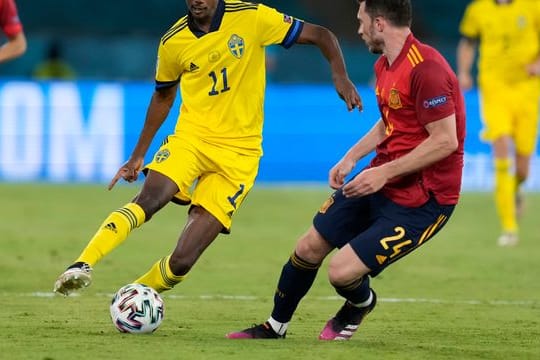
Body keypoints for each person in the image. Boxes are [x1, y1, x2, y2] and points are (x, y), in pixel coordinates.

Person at [53, 0, 362, 297]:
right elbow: (163, 96)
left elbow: (322, 35)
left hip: (239, 155)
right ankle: (82, 264)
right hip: (192, 139)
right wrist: (137, 155)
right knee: (150, 199)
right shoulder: (173, 41)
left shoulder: (253, 17)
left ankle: (134, 297)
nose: (197, 0)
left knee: (182, 261)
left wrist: (340, 75)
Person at [227, 0, 466, 341]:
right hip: (381, 179)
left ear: (380, 23)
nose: (358, 28)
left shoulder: (426, 68)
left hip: (425, 199)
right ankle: (274, 327)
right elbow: (389, 124)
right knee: (308, 246)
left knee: (341, 273)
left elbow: (445, 141)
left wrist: (383, 173)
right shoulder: (386, 65)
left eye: (361, 21)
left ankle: (360, 303)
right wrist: (351, 157)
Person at [457, 0, 540, 247]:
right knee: (501, 145)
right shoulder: (478, 9)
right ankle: (509, 227)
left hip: (527, 89)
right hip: (494, 88)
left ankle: (517, 189)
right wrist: (464, 71)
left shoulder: (532, 5)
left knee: (523, 165)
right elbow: (468, 42)